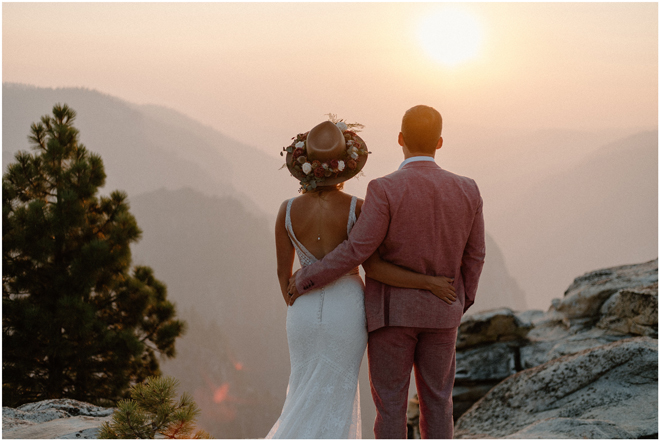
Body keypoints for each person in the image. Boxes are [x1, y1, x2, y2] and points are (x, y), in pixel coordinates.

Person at [289, 105, 486, 439]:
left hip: (391, 317)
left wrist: (308, 277)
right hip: (443, 313)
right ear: (439, 142)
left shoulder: (384, 189)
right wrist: (460, 303)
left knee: (391, 406)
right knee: (439, 403)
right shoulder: (468, 189)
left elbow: (357, 250)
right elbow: (475, 255)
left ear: (400, 139)